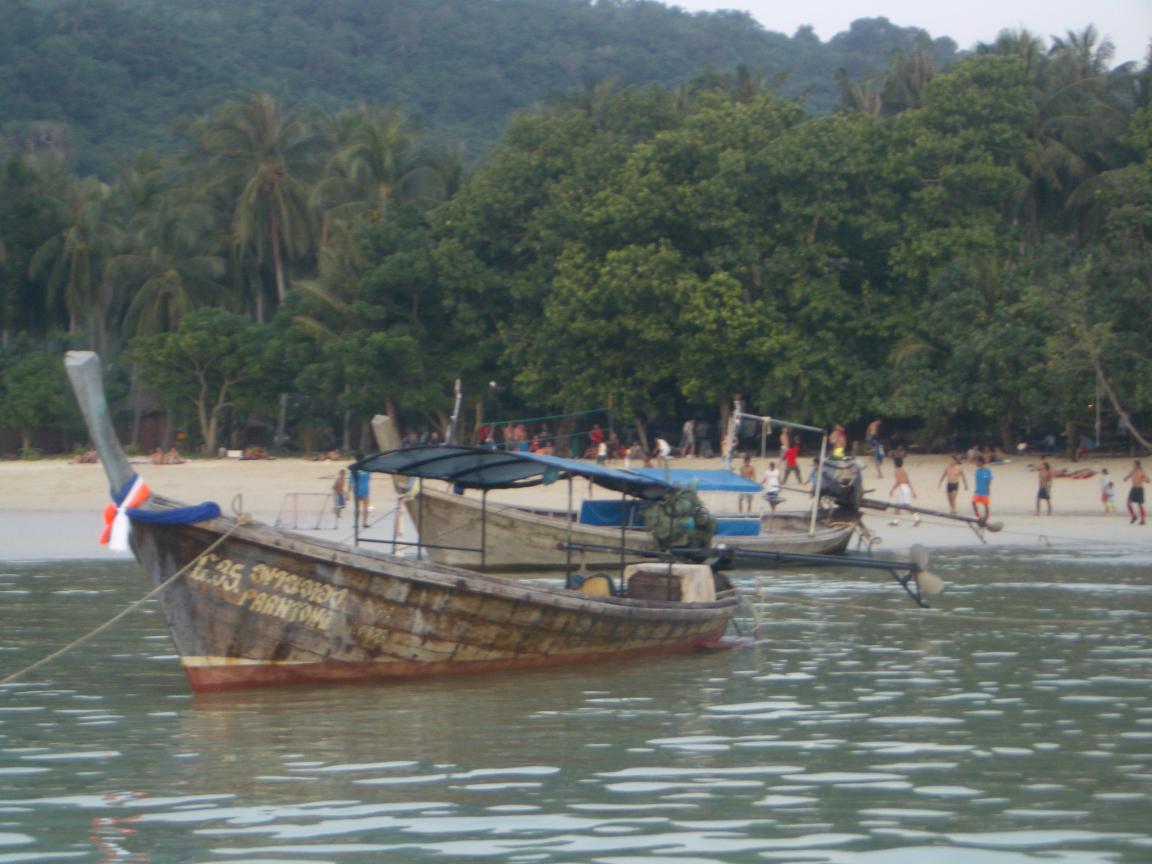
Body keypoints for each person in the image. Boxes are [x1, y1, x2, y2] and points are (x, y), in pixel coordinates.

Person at [888, 456, 919, 526]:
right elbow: (908, 481)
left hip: (902, 489)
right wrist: (913, 491)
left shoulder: (897, 471)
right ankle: (896, 521)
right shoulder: (903, 471)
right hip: (906, 488)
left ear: (895, 464)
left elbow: (898, 481)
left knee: (904, 505)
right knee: (900, 505)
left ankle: (916, 518)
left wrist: (892, 490)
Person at [1123, 460, 1148, 525]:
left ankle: (1142, 520)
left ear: (1138, 465)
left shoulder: (1142, 471)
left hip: (1139, 489)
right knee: (1128, 503)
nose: (1133, 466)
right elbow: (1128, 476)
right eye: (1133, 465)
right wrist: (1126, 478)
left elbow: (1148, 479)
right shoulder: (1132, 471)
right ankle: (1134, 516)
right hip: (1133, 489)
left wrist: (1145, 479)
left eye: (1134, 464)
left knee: (1140, 505)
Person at [972, 454, 993, 523]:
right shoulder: (977, 471)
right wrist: (976, 489)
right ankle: (978, 516)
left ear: (981, 462)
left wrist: (988, 488)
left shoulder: (987, 470)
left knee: (985, 505)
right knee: (973, 502)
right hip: (978, 491)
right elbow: (976, 481)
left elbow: (989, 479)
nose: (976, 463)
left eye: (977, 462)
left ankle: (986, 518)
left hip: (984, 491)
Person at [353, 452, 371, 528]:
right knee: (365, 507)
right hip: (365, 489)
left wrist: (347, 491)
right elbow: (368, 478)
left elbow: (352, 480)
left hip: (357, 488)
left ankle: (356, 523)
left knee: (357, 507)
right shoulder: (367, 468)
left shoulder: (354, 468)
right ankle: (364, 523)